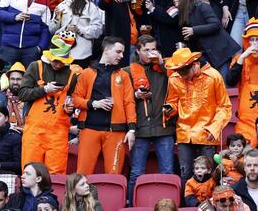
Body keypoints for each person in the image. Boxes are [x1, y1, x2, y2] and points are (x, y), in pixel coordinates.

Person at [164, 47, 232, 183]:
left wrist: (214, 127)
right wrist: (169, 110)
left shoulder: (213, 76)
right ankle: (187, 203)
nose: (181, 75)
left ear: (193, 64)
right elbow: (173, 102)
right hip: (184, 133)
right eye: (178, 71)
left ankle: (211, 204)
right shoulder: (174, 78)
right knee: (186, 174)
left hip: (207, 132)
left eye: (184, 71)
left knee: (209, 174)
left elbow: (224, 106)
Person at [18, 31, 80, 175]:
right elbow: (22, 93)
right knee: (30, 171)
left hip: (58, 133)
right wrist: (44, 89)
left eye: (61, 62)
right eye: (55, 60)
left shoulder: (72, 75)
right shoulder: (35, 67)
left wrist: (69, 108)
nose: (57, 65)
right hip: (34, 131)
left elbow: (71, 101)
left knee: (56, 173)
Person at [72, 37, 136, 175]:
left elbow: (129, 103)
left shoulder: (124, 75)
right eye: (118, 52)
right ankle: (80, 197)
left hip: (116, 131)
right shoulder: (86, 73)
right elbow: (76, 99)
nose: (121, 56)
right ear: (106, 49)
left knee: (114, 176)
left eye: (123, 53)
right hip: (89, 128)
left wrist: (131, 129)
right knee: (82, 174)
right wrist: (93, 104)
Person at [126, 35, 176, 197]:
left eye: (153, 49)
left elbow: (179, 78)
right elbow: (122, 98)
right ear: (138, 51)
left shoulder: (165, 68)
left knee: (167, 172)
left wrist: (161, 62)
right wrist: (135, 95)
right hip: (140, 129)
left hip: (164, 128)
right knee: (136, 173)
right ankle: (133, 206)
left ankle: (168, 206)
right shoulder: (128, 71)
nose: (150, 53)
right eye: (146, 50)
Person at [0, 61, 27, 131]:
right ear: (8, 80)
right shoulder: (0, 98)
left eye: (19, 79)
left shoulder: (31, 98)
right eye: (12, 79)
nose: (15, 82)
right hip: (5, 135)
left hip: (26, 135)